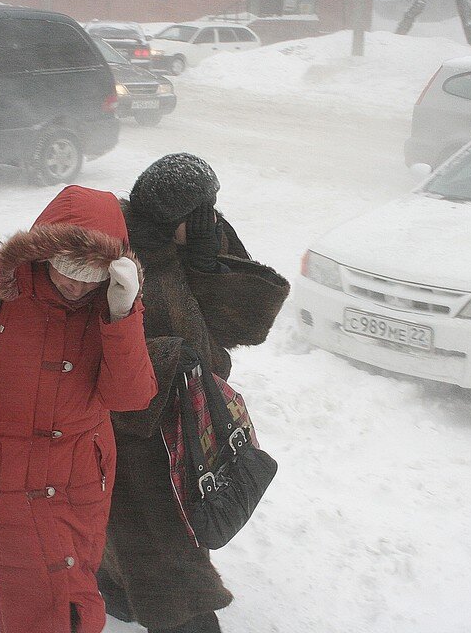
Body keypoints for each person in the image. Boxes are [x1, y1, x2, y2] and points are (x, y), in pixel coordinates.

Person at [0, 185, 157, 633]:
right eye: (66, 267)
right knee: (35, 606)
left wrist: (121, 314)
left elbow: (131, 398)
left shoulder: (112, 310)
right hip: (6, 479)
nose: (75, 284)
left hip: (82, 482)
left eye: (89, 274)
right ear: (42, 252)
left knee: (76, 593)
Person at [97, 153, 290, 633]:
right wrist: (161, 357)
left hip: (190, 410)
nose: (213, 217)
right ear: (169, 214)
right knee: (159, 538)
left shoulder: (199, 238)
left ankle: (118, 591)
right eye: (202, 209)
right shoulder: (115, 254)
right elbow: (89, 345)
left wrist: (208, 266)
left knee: (176, 521)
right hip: (136, 430)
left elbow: (248, 324)